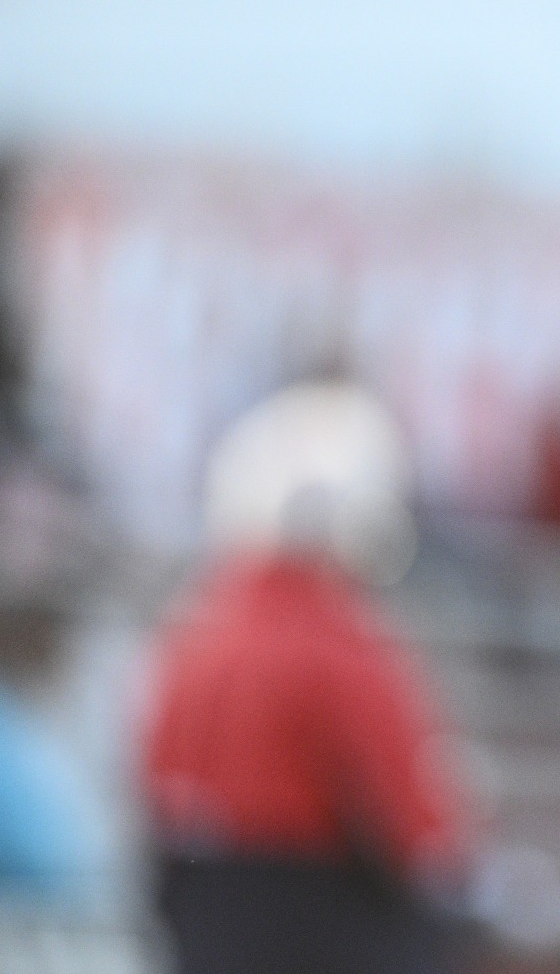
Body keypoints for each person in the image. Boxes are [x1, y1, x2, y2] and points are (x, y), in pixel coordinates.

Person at [141, 383, 464, 974]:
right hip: (311, 917)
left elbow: (156, 780)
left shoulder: (195, 632)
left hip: (205, 921)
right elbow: (413, 825)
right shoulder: (335, 641)